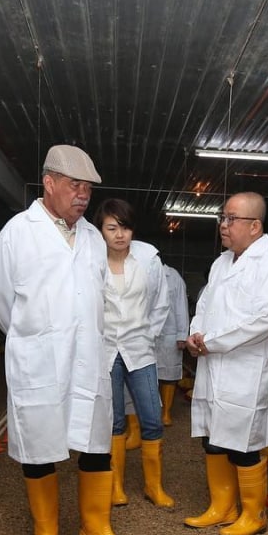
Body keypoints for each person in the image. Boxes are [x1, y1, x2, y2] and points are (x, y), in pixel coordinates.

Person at [0, 144, 135, 535]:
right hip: (39, 358)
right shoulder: (18, 232)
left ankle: (95, 527)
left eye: (88, 188)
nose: (83, 195)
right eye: (74, 185)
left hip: (88, 356)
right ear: (49, 183)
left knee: (96, 441)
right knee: (40, 444)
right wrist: (32, 336)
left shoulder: (92, 237)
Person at [184, 192, 268, 535]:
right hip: (212, 363)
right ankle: (222, 507)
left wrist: (212, 342)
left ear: (255, 226)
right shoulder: (221, 263)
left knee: (243, 442)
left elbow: (265, 320)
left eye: (231, 219)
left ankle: (254, 514)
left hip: (245, 369)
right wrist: (195, 333)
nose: (223, 225)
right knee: (213, 438)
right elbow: (204, 306)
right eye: (223, 218)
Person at [94, 197, 174, 509]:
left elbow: (161, 303)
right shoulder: (91, 260)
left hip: (140, 349)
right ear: (100, 230)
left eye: (125, 227)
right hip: (106, 349)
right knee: (114, 421)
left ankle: (154, 487)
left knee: (152, 418)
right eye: (111, 228)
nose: (119, 235)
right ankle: (115, 486)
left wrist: (147, 335)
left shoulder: (148, 258)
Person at [155, 263, 188, 426]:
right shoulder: (141, 271)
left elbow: (181, 305)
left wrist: (182, 334)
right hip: (147, 333)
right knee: (148, 375)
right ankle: (152, 412)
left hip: (170, 333)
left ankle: (166, 412)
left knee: (169, 375)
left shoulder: (173, 276)